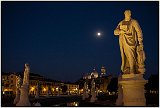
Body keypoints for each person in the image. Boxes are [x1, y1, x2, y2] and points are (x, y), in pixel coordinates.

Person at [114, 10, 145, 74]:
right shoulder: (121, 22)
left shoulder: (134, 22)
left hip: (132, 42)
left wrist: (140, 41)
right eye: (126, 13)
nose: (128, 14)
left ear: (130, 14)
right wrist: (120, 32)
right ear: (124, 14)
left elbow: (139, 31)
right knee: (126, 55)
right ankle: (128, 69)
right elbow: (115, 32)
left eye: (129, 13)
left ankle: (132, 69)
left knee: (132, 55)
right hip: (123, 41)